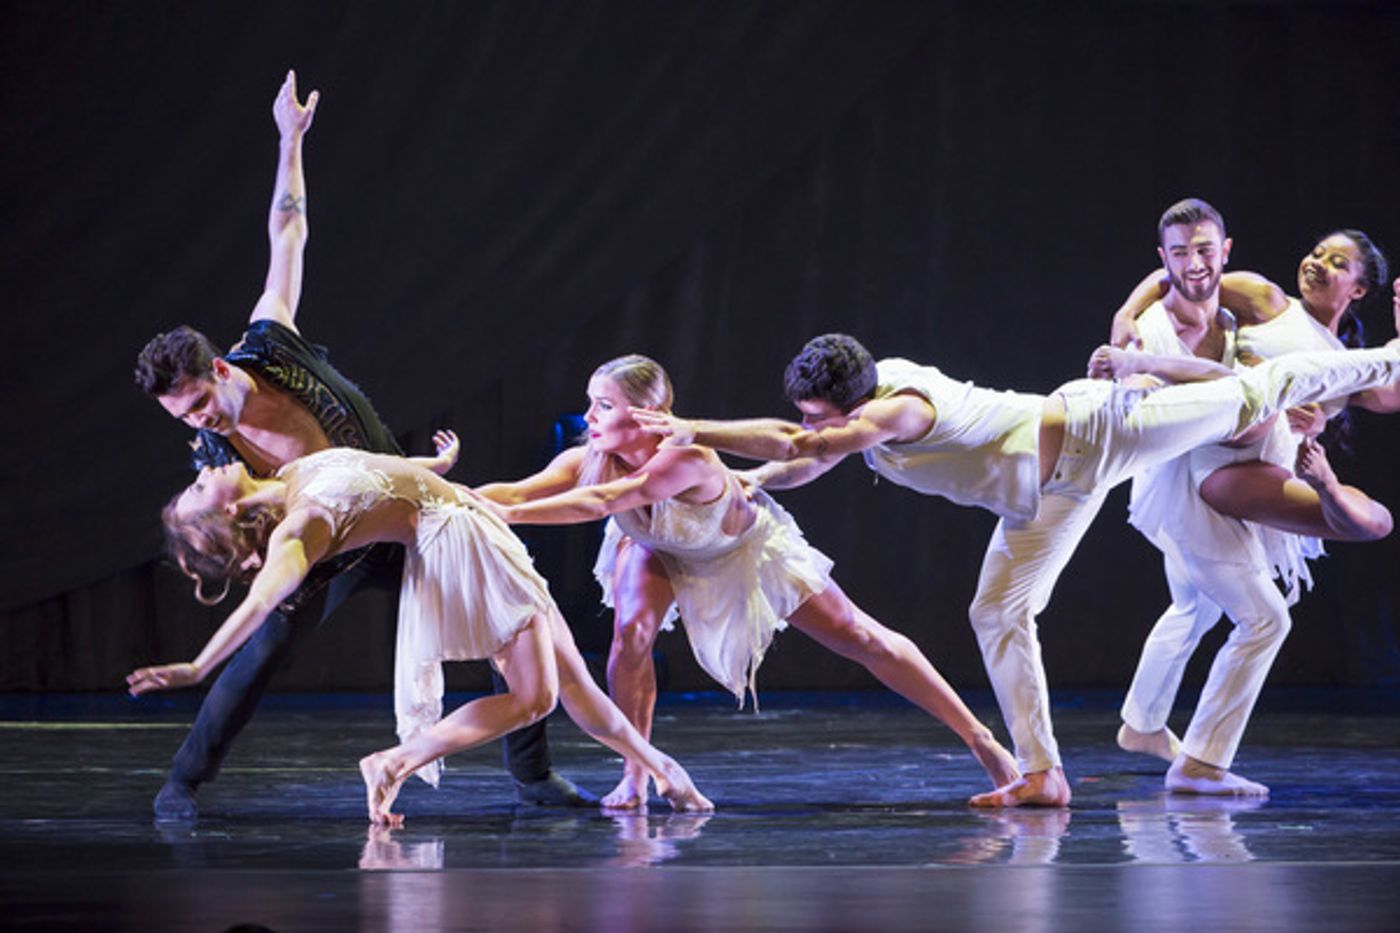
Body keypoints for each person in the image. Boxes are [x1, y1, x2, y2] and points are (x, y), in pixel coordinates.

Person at [630, 329, 1400, 807]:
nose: (808, 427)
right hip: (1045, 496)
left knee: (1256, 389)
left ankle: (1389, 356)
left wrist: (691, 428)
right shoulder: (860, 416)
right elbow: (806, 457)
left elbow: (811, 447)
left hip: (1102, 431)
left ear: (854, 404)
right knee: (997, 611)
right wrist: (753, 481)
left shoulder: (899, 409)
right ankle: (1041, 774)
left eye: (818, 416)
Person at [131, 71, 587, 819]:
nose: (198, 422)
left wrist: (289, 142)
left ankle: (533, 778)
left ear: (218, 369)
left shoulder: (270, 346)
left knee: (513, 621)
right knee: (265, 649)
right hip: (323, 542)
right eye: (181, 417)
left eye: (200, 403)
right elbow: (256, 551)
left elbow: (287, 233)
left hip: (404, 520)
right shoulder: (224, 466)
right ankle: (184, 781)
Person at [474, 355, 1021, 808]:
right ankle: (637, 771)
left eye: (605, 405)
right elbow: (520, 491)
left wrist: (508, 516)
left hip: (740, 551)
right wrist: (447, 496)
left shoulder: (685, 458)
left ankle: (983, 741)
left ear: (646, 414)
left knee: (860, 637)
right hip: (658, 548)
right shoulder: (590, 457)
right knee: (631, 634)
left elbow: (601, 503)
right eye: (591, 402)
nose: (590, 416)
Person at [126, 439, 713, 826]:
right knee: (537, 697)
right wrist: (199, 668)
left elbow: (378, 473)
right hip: (462, 546)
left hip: (471, 527)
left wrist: (433, 470)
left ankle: (666, 773)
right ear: (225, 514)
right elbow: (262, 600)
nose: (204, 472)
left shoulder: (292, 473)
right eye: (200, 490)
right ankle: (394, 760)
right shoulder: (300, 526)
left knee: (571, 684)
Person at [1104, 204, 1396, 793]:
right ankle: (1202, 763)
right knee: (1263, 619)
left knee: (1195, 607)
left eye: (1336, 263)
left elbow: (1389, 393)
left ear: (1359, 288)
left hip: (1251, 464)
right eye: (1317, 252)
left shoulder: (1347, 363)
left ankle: (1142, 724)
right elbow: (1176, 272)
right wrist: (1125, 317)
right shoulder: (1266, 299)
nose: (1317, 264)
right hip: (1217, 461)